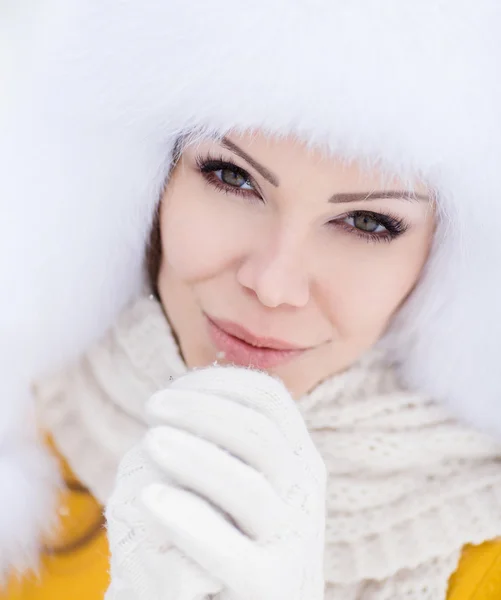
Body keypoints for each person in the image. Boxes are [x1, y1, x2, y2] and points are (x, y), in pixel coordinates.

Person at [1, 1, 501, 598]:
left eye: (368, 222)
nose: (273, 284)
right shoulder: (28, 436)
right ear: (151, 182)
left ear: (450, 261)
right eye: (232, 178)